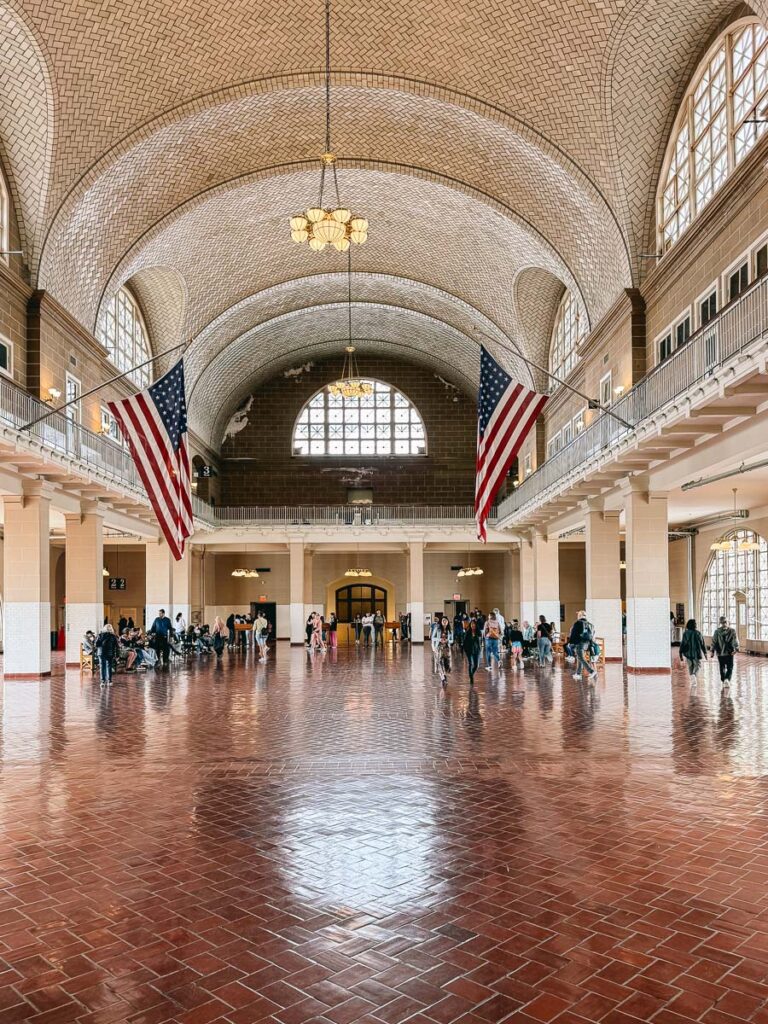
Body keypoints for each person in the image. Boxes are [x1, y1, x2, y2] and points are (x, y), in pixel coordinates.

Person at [568, 610, 596, 681]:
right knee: (579, 657)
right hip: (586, 643)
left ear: (580, 616)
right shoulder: (589, 624)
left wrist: (571, 642)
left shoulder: (578, 623)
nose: (577, 617)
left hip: (579, 643)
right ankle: (578, 673)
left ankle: (591, 671)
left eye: (578, 615)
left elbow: (573, 634)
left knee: (581, 658)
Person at [711, 616, 739, 684]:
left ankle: (724, 680)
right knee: (729, 667)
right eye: (723, 622)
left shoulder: (717, 631)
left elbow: (714, 642)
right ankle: (726, 679)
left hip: (722, 653)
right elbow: (735, 641)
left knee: (723, 667)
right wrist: (736, 648)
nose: (724, 624)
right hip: (728, 652)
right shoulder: (732, 631)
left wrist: (712, 651)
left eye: (725, 622)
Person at [680, 618, 706, 682]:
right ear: (694, 625)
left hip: (688, 653)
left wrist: (680, 653)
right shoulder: (698, 633)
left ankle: (692, 678)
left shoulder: (685, 633)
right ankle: (694, 675)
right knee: (697, 665)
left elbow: (682, 643)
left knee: (690, 666)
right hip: (696, 653)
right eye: (695, 623)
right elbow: (702, 643)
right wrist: (705, 652)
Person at [435, 615, 452, 685]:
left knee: (446, 664)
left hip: (446, 649)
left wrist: (448, 640)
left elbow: (452, 640)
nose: (444, 622)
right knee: (439, 662)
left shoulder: (450, 631)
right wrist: (440, 640)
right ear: (441, 622)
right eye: (443, 621)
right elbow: (433, 638)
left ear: (448, 622)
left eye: (446, 620)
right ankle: (443, 678)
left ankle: (444, 675)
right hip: (439, 648)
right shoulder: (438, 629)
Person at [463, 618, 482, 684]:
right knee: (471, 664)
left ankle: (471, 674)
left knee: (476, 665)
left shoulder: (479, 632)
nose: (473, 625)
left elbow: (480, 642)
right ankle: (471, 678)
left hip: (476, 650)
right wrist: (465, 650)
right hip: (469, 650)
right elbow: (464, 642)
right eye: (471, 624)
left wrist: (480, 649)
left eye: (474, 624)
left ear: (476, 625)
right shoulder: (468, 632)